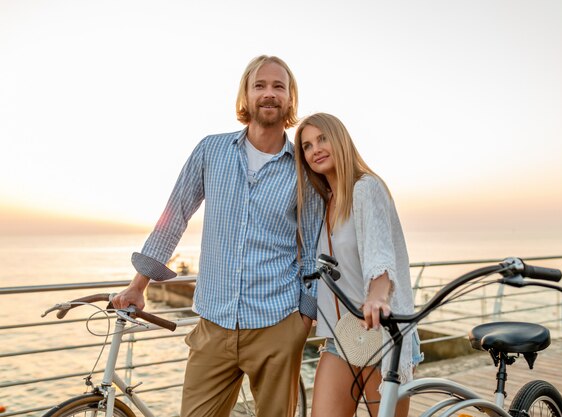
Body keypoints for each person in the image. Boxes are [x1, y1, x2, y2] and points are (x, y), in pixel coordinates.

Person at [112, 55, 322, 417]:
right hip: (213, 325)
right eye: (260, 85)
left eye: (278, 87)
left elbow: (315, 249)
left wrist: (304, 319)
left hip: (277, 325)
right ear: (246, 94)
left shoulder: (304, 170)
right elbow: (173, 216)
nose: (269, 94)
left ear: (290, 99)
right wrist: (138, 285)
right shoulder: (211, 150)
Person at [294, 113, 419, 417]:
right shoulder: (322, 202)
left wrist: (377, 297)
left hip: (383, 333)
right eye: (307, 146)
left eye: (323, 139)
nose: (315, 150)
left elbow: (381, 257)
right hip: (341, 336)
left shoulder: (366, 189)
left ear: (340, 140)